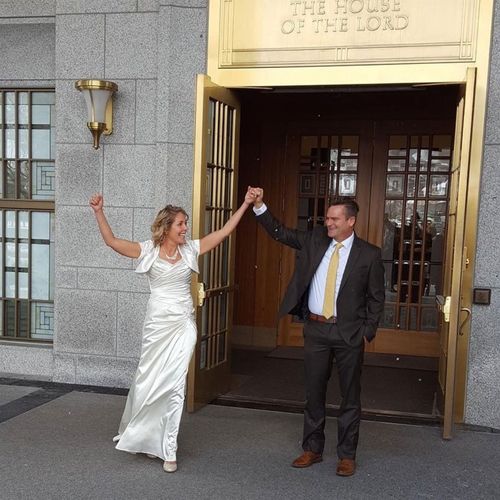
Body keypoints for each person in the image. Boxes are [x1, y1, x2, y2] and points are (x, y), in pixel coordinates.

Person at [89, 188, 257, 473]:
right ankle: (138, 429)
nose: (185, 228)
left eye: (186, 223)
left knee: (176, 384)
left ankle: (169, 449)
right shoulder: (148, 250)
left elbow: (225, 231)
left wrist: (245, 204)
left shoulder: (191, 249)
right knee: (147, 378)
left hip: (183, 324)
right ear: (167, 227)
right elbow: (111, 241)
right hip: (156, 325)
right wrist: (98, 212)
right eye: (181, 223)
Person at [250, 188, 384, 477]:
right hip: (316, 330)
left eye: (335, 219)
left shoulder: (370, 255)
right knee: (313, 392)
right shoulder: (314, 240)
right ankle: (312, 448)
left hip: (349, 334)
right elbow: (279, 232)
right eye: (327, 218)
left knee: (350, 396)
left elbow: (376, 298)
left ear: (351, 222)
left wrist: (367, 332)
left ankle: (347, 455)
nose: (329, 223)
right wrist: (260, 205)